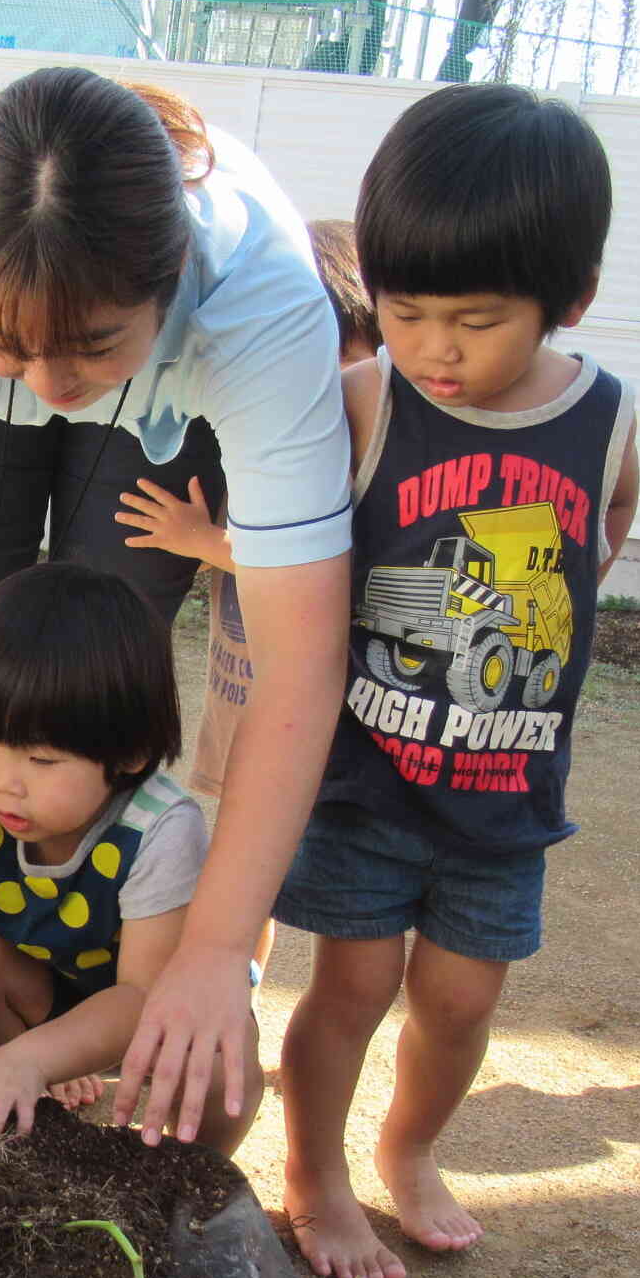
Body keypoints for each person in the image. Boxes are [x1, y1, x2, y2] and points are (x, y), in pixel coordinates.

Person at [0, 66, 352, 1153]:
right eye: (11, 344)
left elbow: (297, 661)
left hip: (178, 389)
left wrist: (213, 952)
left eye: (90, 345)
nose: (51, 381)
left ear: (170, 282)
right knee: (0, 640)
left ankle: (148, 948)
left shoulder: (261, 301)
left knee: (99, 664)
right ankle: (40, 1009)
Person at [271, 84, 640, 1278]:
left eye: (475, 320)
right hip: (370, 781)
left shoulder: (604, 414)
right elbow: (297, 538)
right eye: (404, 310)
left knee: (461, 999)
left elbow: (613, 512)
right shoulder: (368, 398)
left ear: (566, 300)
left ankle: (408, 1146)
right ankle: (314, 1171)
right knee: (354, 983)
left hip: (503, 800)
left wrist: (576, 571)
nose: (433, 346)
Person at [0, 564, 263, 1150]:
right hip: (52, 980)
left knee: (223, 1050)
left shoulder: (159, 828)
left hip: (159, 1003)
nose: (3, 783)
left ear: (129, 753)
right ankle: (22, 1120)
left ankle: (197, 1178)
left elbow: (140, 995)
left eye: (41, 761)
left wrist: (34, 1055)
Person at [111, 219, 383, 978]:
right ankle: (230, 980)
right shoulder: (268, 427)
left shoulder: (363, 447)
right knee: (238, 847)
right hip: (243, 690)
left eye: (345, 361)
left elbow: (322, 564)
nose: (322, 383)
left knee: (274, 855)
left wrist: (200, 541)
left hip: (309, 706)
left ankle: (235, 983)